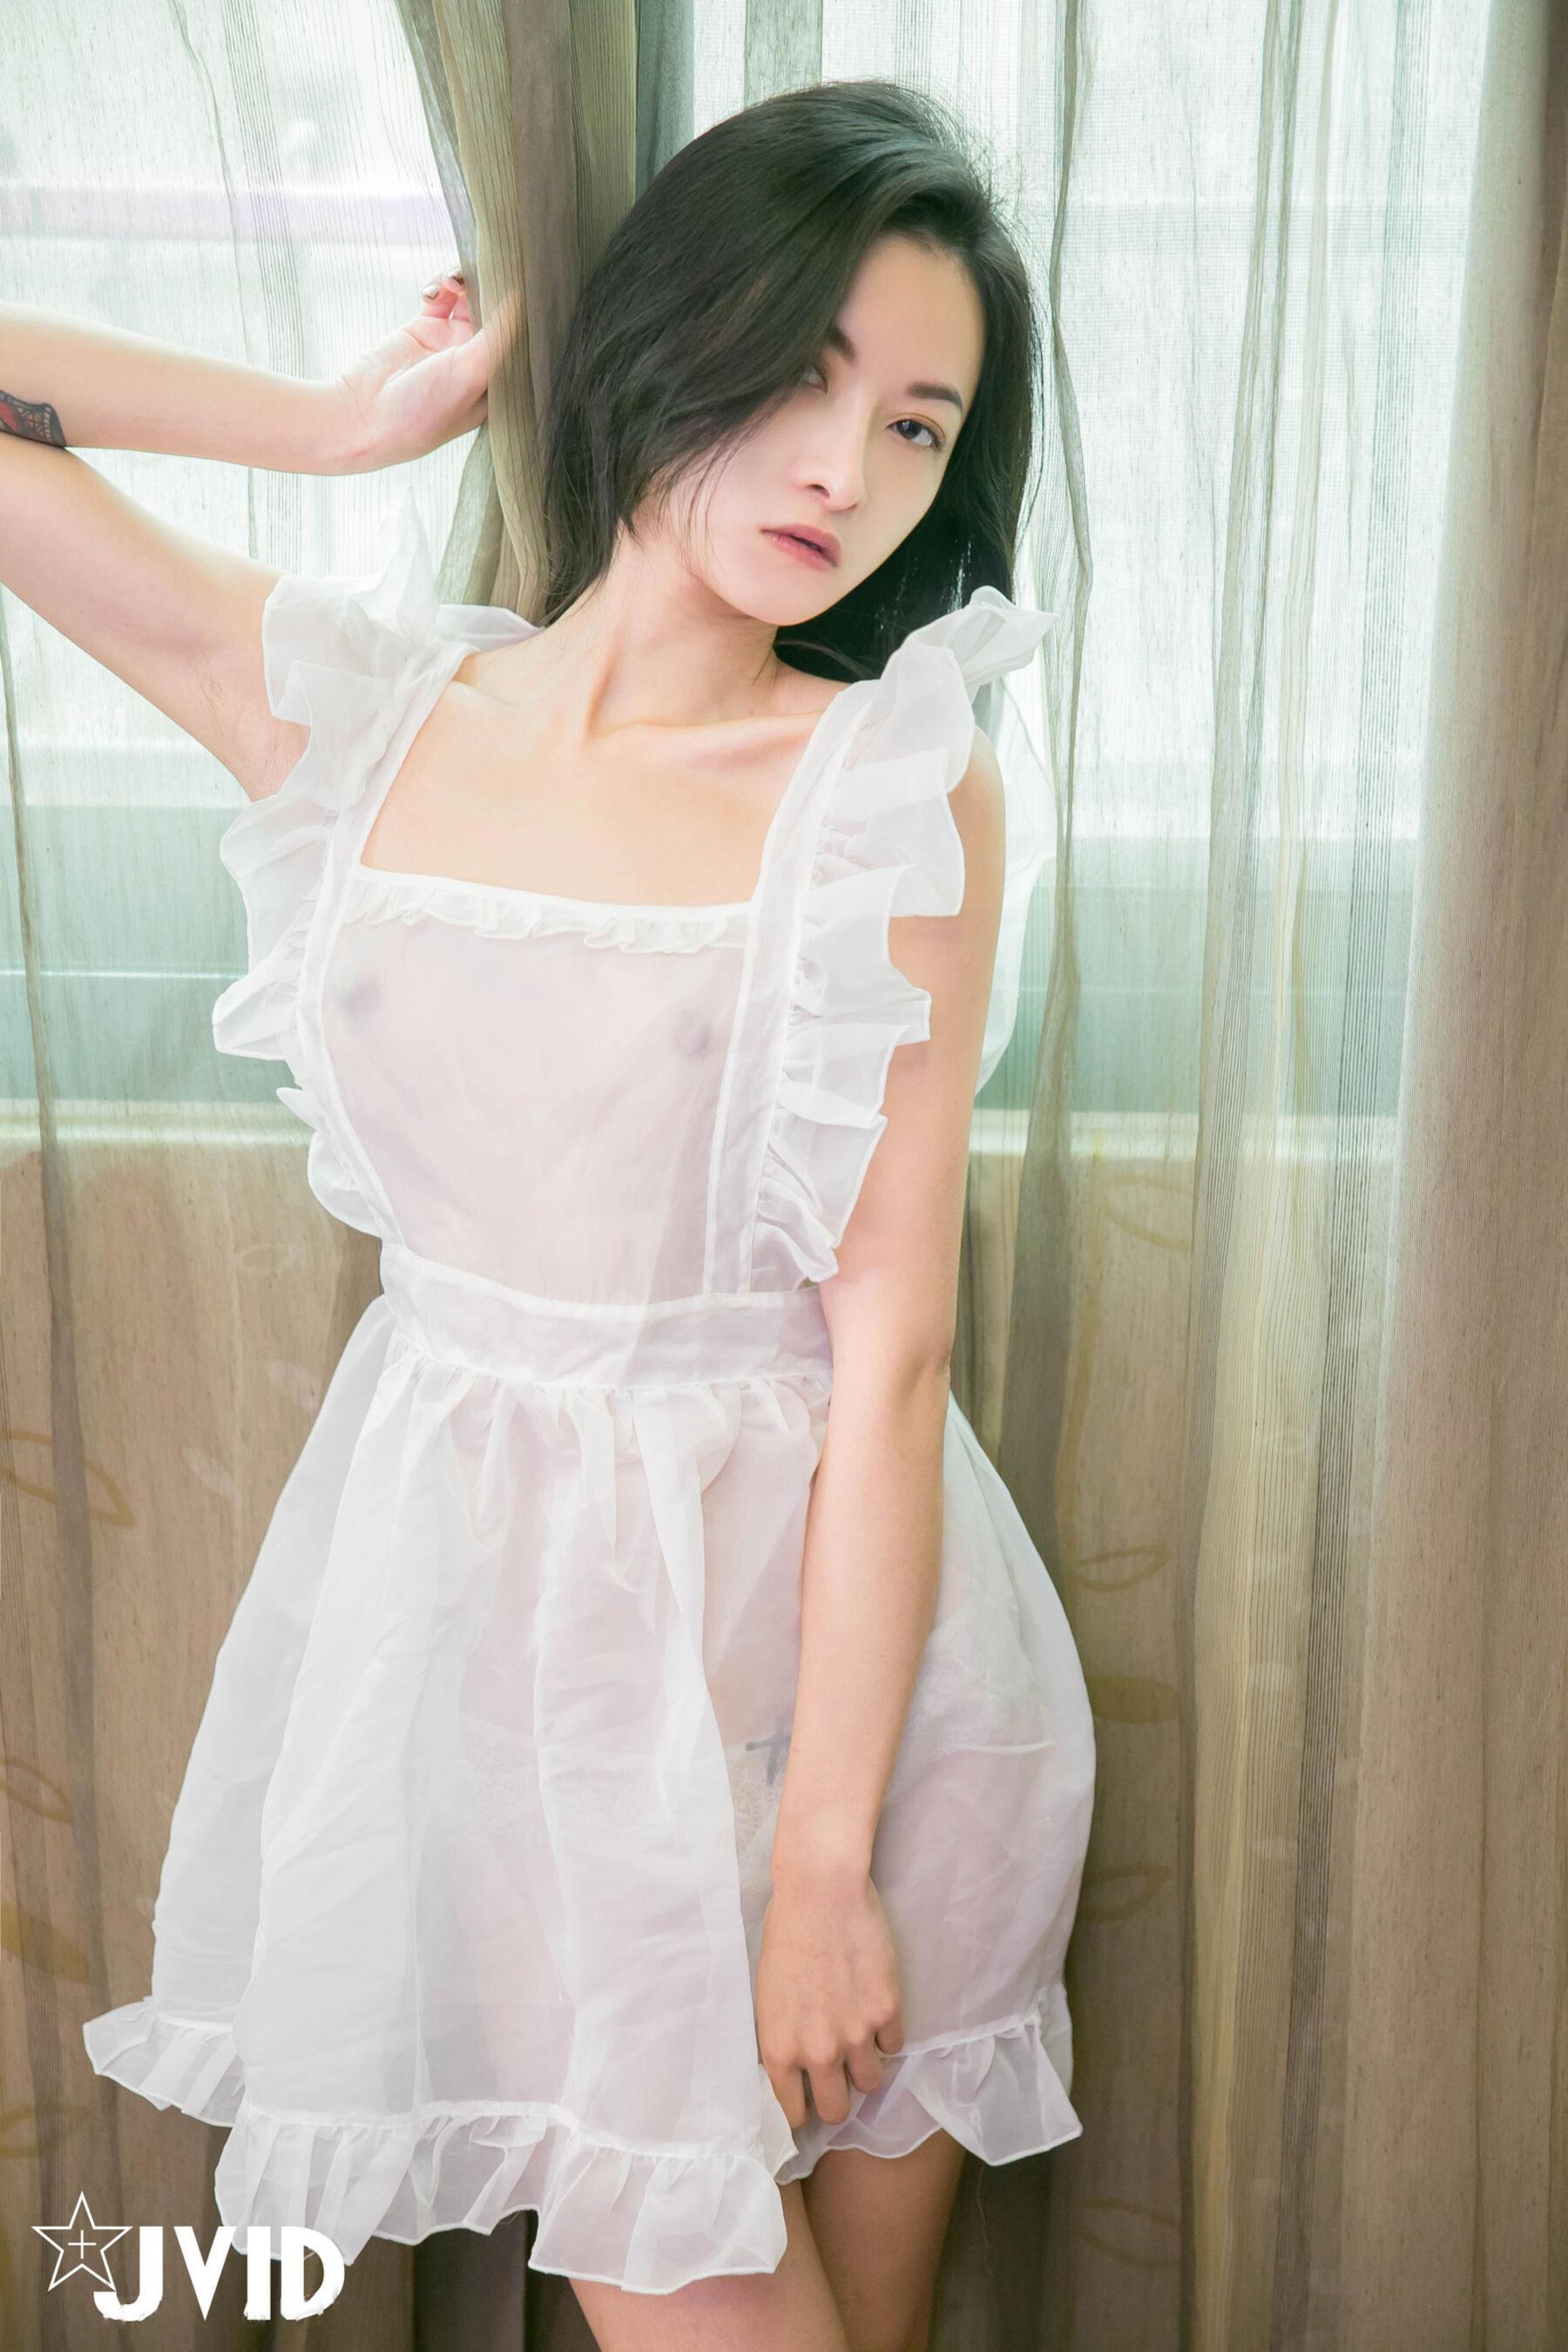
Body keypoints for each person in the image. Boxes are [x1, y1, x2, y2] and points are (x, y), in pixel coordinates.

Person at [3, 76, 1095, 2352]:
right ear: (668, 337)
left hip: (853, 1697)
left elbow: (893, 1353)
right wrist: (334, 428)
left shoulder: (892, 785)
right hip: (506, 1664)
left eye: (915, 426)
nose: (843, 471)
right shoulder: (366, 719)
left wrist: (824, 1870)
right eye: (801, 374)